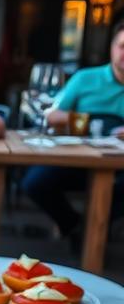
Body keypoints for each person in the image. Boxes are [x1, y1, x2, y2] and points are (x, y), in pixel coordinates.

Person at [22, 19, 124, 240]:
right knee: (35, 182)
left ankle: (96, 233)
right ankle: (75, 226)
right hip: (78, 161)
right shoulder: (85, 78)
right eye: (122, 46)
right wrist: (85, 121)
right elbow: (53, 115)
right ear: (112, 47)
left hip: (119, 167)